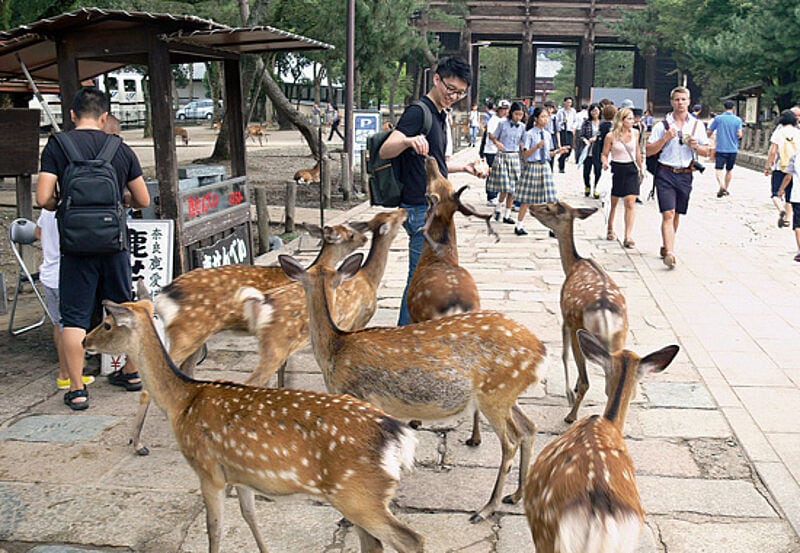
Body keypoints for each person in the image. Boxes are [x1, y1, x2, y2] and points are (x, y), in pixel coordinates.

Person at [36, 87, 150, 410]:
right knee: (123, 311)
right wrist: (121, 199)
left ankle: (77, 390)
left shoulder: (58, 145)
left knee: (73, 317)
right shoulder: (120, 149)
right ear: (104, 117)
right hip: (113, 245)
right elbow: (142, 199)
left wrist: (65, 204)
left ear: (71, 115)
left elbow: (43, 197)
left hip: (76, 247)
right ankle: (130, 373)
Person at [378, 57, 478, 326]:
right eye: (450, 88)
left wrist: (464, 167)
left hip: (433, 209)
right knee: (418, 279)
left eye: (460, 92)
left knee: (424, 276)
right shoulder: (418, 112)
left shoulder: (439, 114)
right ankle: (403, 337)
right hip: (420, 211)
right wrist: (408, 139)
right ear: (436, 79)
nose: (454, 96)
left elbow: (437, 162)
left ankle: (411, 334)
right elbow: (386, 149)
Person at [646, 86, 710, 269]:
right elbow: (649, 150)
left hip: (685, 173)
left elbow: (707, 151)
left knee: (676, 214)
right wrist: (664, 139)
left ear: (689, 101)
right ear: (671, 102)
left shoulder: (697, 125)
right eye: (677, 99)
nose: (680, 103)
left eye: (683, 99)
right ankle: (671, 253)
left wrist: (696, 146)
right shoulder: (662, 126)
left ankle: (667, 244)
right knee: (668, 213)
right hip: (665, 172)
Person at [35, 209, 96, 391]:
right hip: (66, 274)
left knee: (58, 324)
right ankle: (70, 375)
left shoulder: (47, 210)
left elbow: (38, 232)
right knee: (72, 325)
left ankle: (65, 373)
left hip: (48, 273)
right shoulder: (73, 209)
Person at [514, 106, 570, 236]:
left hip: (544, 166)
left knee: (551, 198)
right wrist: (536, 147)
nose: (546, 120)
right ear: (536, 118)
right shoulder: (529, 134)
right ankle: (519, 225)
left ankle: (553, 228)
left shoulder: (547, 134)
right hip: (532, 167)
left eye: (547, 117)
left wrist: (558, 151)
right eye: (543, 117)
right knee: (526, 199)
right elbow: (525, 155)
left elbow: (548, 154)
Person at [601, 107, 644, 248]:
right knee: (613, 202)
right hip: (617, 169)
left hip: (631, 168)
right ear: (622, 120)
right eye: (629, 118)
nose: (632, 121)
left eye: (633, 118)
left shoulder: (636, 133)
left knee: (630, 202)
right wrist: (605, 163)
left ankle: (628, 235)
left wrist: (641, 167)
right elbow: (605, 153)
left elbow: (637, 151)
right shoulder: (611, 136)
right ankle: (610, 227)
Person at [487, 101, 526, 225]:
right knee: (505, 186)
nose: (518, 117)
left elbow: (523, 142)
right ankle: (499, 207)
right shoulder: (502, 124)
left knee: (513, 189)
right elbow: (492, 136)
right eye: (516, 114)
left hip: (514, 157)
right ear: (511, 113)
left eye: (520, 115)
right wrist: (497, 143)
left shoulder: (522, 127)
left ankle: (507, 214)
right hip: (503, 156)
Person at [765, 109, 800, 228]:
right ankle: (787, 219)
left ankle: (781, 210)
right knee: (790, 195)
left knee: (775, 193)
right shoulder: (798, 132)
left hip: (780, 166)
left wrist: (768, 165)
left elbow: (773, 151)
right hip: (794, 168)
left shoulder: (779, 132)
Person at [708, 100, 743, 198]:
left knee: (718, 169)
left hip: (720, 148)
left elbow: (710, 131)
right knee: (729, 169)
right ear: (733, 108)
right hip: (732, 148)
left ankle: (721, 185)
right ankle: (726, 188)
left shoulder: (718, 118)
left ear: (724, 108)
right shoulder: (737, 120)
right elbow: (740, 134)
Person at [483, 99, 509, 205]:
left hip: (502, 150)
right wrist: (496, 142)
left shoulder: (506, 121)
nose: (505, 111)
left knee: (500, 173)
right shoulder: (493, 120)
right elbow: (490, 134)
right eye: (503, 109)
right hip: (491, 150)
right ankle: (491, 195)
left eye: (506, 109)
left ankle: (497, 194)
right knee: (492, 173)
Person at [778, 150, 800, 261]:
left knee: (798, 225)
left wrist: (781, 189)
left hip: (798, 195)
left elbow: (788, 176)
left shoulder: (796, 156)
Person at [578, 103, 603, 197]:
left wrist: (596, 138)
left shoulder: (602, 123)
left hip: (598, 150)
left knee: (598, 171)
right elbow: (581, 135)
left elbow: (604, 136)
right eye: (593, 111)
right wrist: (585, 140)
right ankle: (587, 186)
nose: (594, 113)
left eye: (596, 111)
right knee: (586, 172)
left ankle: (597, 188)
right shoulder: (586, 122)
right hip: (588, 150)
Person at [555, 96, 576, 173]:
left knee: (569, 149)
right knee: (564, 149)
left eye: (570, 102)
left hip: (570, 131)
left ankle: (561, 159)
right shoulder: (560, 112)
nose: (569, 104)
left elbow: (575, 121)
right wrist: (562, 122)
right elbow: (557, 122)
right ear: (564, 102)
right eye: (567, 102)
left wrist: (573, 127)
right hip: (563, 131)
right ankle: (561, 167)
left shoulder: (573, 111)